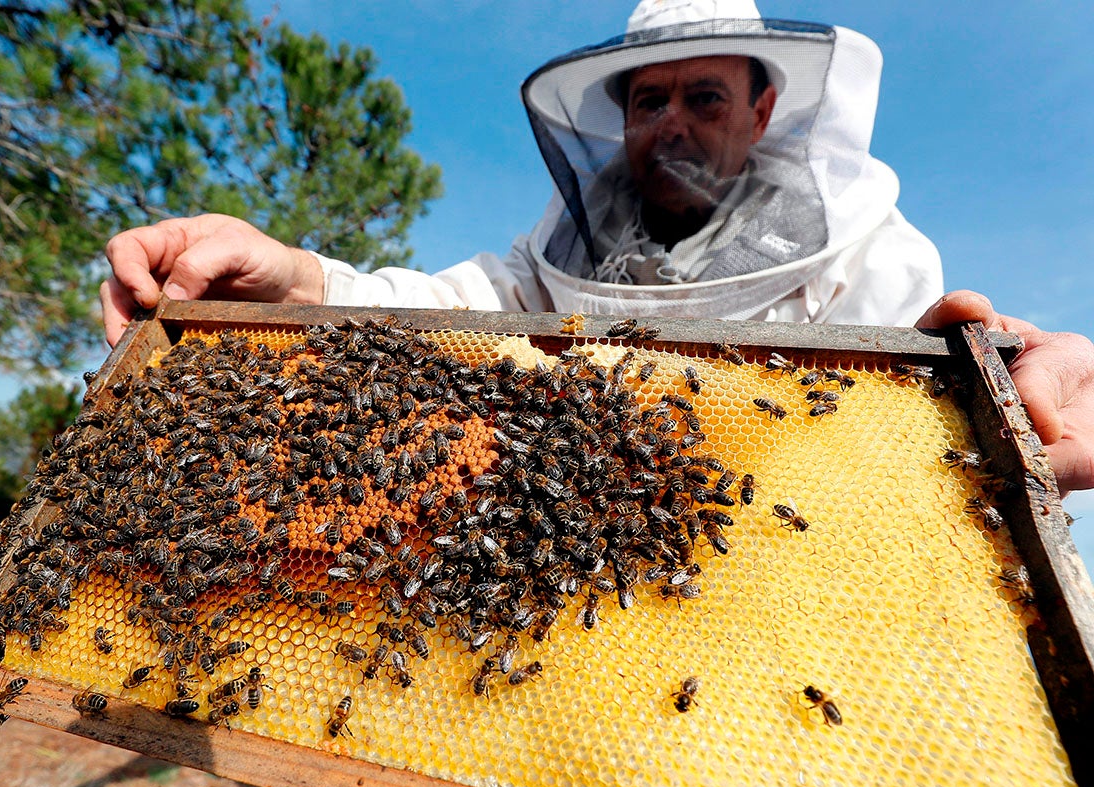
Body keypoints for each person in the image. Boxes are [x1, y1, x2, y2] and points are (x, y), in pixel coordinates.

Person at [99, 0, 1094, 495]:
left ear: (762, 112)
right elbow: (444, 307)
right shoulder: (562, 247)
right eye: (648, 101)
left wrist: (1008, 388)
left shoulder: (870, 256)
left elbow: (917, 448)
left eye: (704, 97)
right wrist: (302, 279)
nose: (671, 123)